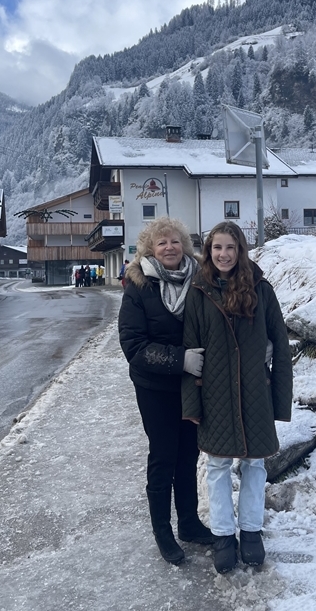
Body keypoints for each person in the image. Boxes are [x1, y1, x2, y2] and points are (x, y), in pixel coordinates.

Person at [181, 221, 293, 574]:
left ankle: (251, 531)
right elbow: (191, 350)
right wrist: (191, 402)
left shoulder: (261, 289)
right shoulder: (198, 292)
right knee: (217, 467)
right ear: (208, 251)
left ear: (240, 250)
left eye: (230, 247)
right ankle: (223, 535)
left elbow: (281, 346)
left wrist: (280, 398)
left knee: (254, 464)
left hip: (255, 391)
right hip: (214, 393)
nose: (224, 254)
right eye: (217, 247)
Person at [118, 217, 213, 565]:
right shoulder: (139, 286)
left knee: (188, 454)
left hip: (192, 384)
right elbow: (133, 345)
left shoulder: (200, 280)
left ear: (184, 245)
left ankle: (188, 522)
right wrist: (179, 359)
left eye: (175, 241)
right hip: (155, 387)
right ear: (150, 250)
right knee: (163, 456)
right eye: (161, 243)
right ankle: (162, 530)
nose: (169, 247)